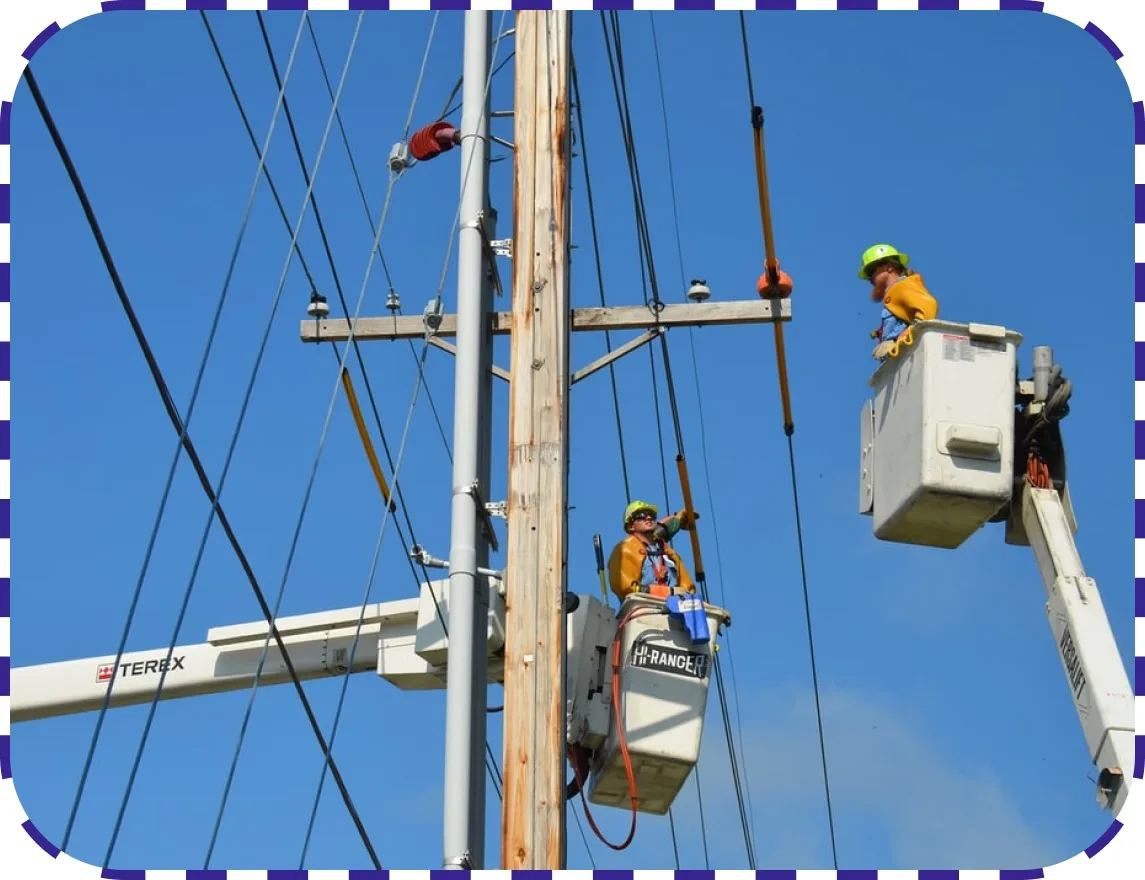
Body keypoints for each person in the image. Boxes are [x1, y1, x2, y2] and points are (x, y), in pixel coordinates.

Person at [859, 243, 939, 360]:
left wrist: (903, 337)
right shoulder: (894, 292)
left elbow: (929, 307)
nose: (869, 278)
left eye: (871, 271)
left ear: (889, 268)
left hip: (907, 355)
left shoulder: (903, 286)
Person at [607, 500, 698, 602]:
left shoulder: (669, 554)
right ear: (630, 526)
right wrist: (664, 592)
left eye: (652, 515)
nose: (649, 518)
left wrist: (676, 520)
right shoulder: (625, 549)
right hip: (644, 609)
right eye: (641, 515)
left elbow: (688, 589)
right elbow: (625, 587)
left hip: (676, 610)